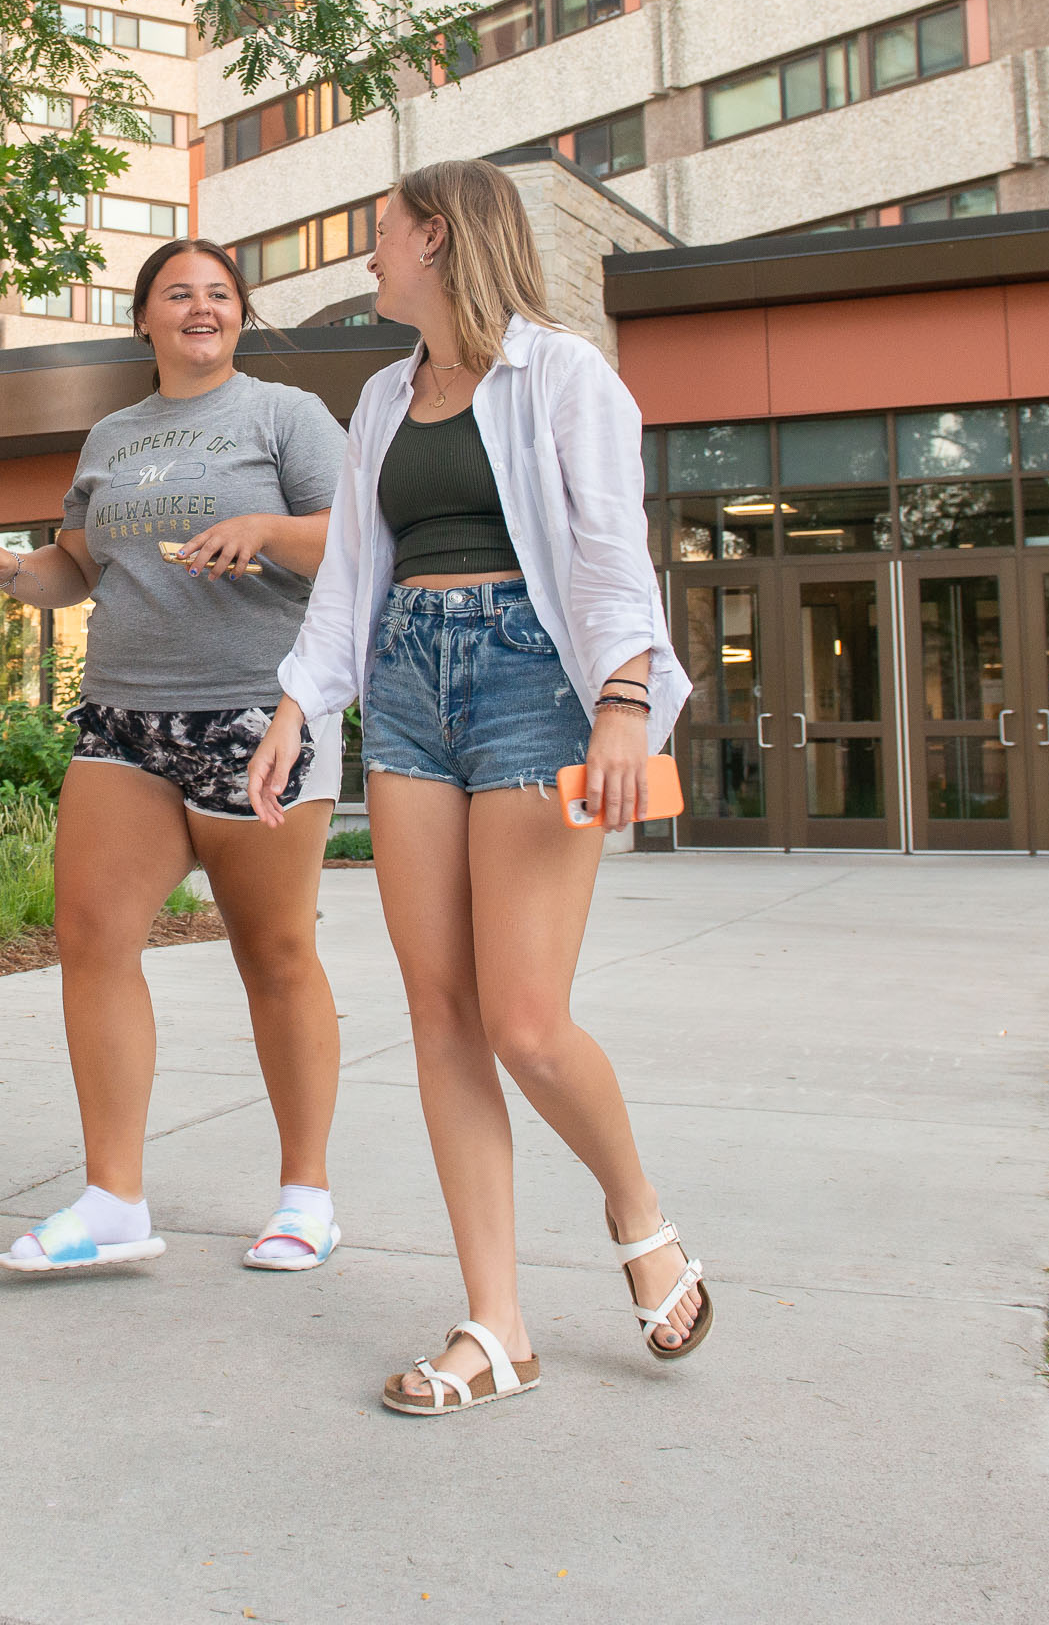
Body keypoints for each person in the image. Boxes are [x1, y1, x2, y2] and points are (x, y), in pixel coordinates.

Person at [245, 159, 709, 1417]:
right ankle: (494, 1324)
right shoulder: (384, 397)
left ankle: (635, 1210)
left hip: (530, 689)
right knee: (438, 1012)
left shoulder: (562, 376)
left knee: (522, 1019)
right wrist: (298, 700)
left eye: (379, 232)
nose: (368, 255)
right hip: (405, 683)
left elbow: (610, 547)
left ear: (437, 238)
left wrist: (621, 702)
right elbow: (351, 569)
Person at [0, 238, 350, 1275]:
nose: (200, 306)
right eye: (178, 291)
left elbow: (356, 538)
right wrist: (10, 570)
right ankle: (113, 1196)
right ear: (143, 317)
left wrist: (264, 524)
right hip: (123, 718)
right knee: (89, 935)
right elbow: (76, 568)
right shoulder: (112, 435)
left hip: (255, 713)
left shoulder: (282, 416)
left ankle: (305, 1194)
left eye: (218, 293)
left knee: (271, 953)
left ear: (239, 314)